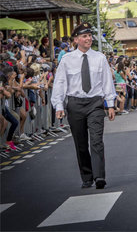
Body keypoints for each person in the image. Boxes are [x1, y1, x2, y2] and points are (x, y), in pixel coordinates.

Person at [51, 22, 116, 189]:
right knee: (80, 143)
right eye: (85, 36)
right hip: (75, 103)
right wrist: (58, 105)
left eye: (90, 36)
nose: (89, 39)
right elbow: (60, 83)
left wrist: (110, 104)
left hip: (95, 102)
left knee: (96, 141)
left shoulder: (100, 58)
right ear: (76, 39)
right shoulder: (67, 60)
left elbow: (107, 82)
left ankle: (99, 176)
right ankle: (87, 176)